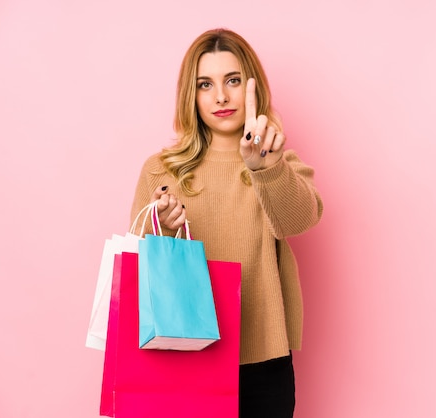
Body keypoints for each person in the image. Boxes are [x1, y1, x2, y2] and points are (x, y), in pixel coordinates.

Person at [129, 28, 323, 418]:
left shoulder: (276, 161)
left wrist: (265, 168)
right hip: (180, 356)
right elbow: (138, 263)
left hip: (262, 361)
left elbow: (299, 220)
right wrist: (164, 229)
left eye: (232, 80)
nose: (221, 96)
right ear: (191, 95)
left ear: (252, 87)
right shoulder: (162, 170)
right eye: (205, 84)